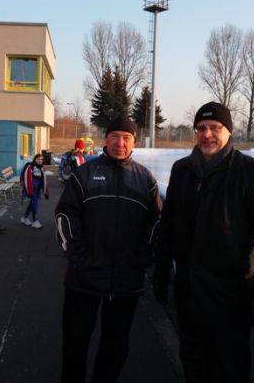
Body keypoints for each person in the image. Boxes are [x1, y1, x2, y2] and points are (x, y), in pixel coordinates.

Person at [153, 102, 254, 382]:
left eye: (215, 128)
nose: (207, 134)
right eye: (201, 128)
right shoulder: (182, 170)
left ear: (229, 131)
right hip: (189, 293)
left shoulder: (252, 173)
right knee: (194, 366)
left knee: (230, 371)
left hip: (230, 298)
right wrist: (161, 270)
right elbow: (169, 224)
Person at [55, 117, 162, 383]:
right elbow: (65, 215)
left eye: (127, 137)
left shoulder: (145, 179)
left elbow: (156, 223)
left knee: (116, 347)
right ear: (106, 138)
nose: (120, 143)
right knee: (75, 344)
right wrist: (78, 257)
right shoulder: (84, 174)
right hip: (84, 278)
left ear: (134, 142)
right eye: (115, 136)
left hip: (126, 281)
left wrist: (143, 257)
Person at [20, 153, 49, 229]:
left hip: (37, 190)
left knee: (32, 204)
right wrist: (23, 185)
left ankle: (25, 217)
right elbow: (24, 175)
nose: (40, 161)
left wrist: (45, 190)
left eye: (41, 159)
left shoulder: (42, 167)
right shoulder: (30, 166)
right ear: (35, 159)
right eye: (38, 159)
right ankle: (35, 221)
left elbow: (43, 179)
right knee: (35, 204)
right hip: (31, 189)